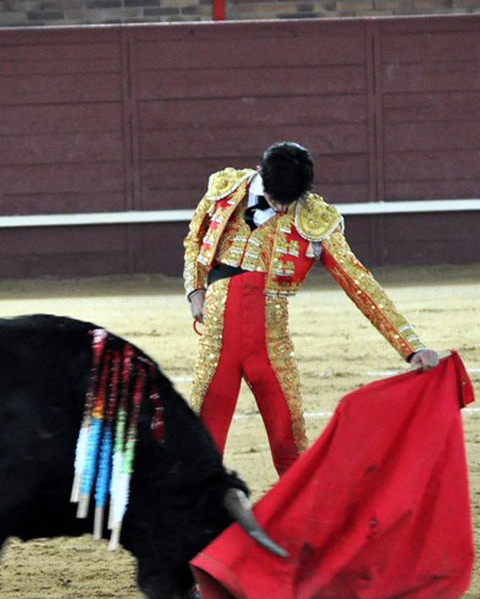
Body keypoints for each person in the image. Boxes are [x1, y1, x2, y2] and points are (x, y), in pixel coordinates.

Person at [183, 141, 439, 477]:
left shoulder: (315, 218)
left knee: (289, 441)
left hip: (270, 341)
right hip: (217, 336)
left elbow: (360, 283)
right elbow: (195, 238)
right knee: (202, 442)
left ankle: (304, 526)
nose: (280, 206)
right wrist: (195, 289)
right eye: (275, 198)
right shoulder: (226, 188)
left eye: (288, 201)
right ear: (259, 173)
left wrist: (411, 346)